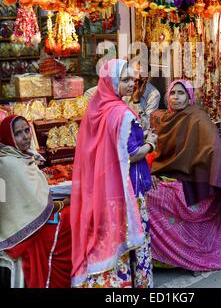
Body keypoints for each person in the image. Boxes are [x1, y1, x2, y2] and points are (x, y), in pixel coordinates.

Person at [71, 59, 157, 288]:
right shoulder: (122, 113)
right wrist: (151, 143)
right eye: (125, 79)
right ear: (111, 82)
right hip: (129, 186)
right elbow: (132, 154)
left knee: (115, 237)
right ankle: (141, 285)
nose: (131, 84)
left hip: (104, 186)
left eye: (133, 80)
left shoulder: (97, 109)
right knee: (137, 241)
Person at [146, 80, 221, 272]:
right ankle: (167, 257)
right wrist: (153, 172)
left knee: (147, 197)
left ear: (190, 96)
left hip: (194, 184)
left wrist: (205, 176)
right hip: (172, 178)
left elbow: (214, 150)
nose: (176, 97)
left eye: (181, 93)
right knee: (143, 192)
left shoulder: (198, 118)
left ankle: (189, 254)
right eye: (173, 93)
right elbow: (164, 156)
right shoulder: (168, 118)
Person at [0, 115, 72, 288]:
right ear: (8, 137)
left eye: (27, 130)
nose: (26, 136)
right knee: (70, 220)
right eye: (18, 133)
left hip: (26, 219)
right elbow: (39, 208)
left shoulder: (20, 156)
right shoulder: (10, 164)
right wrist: (65, 202)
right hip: (19, 233)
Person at [125, 61, 161, 130]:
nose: (138, 77)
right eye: (135, 73)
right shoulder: (123, 87)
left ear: (147, 78)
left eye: (143, 74)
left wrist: (136, 101)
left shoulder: (154, 95)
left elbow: (145, 126)